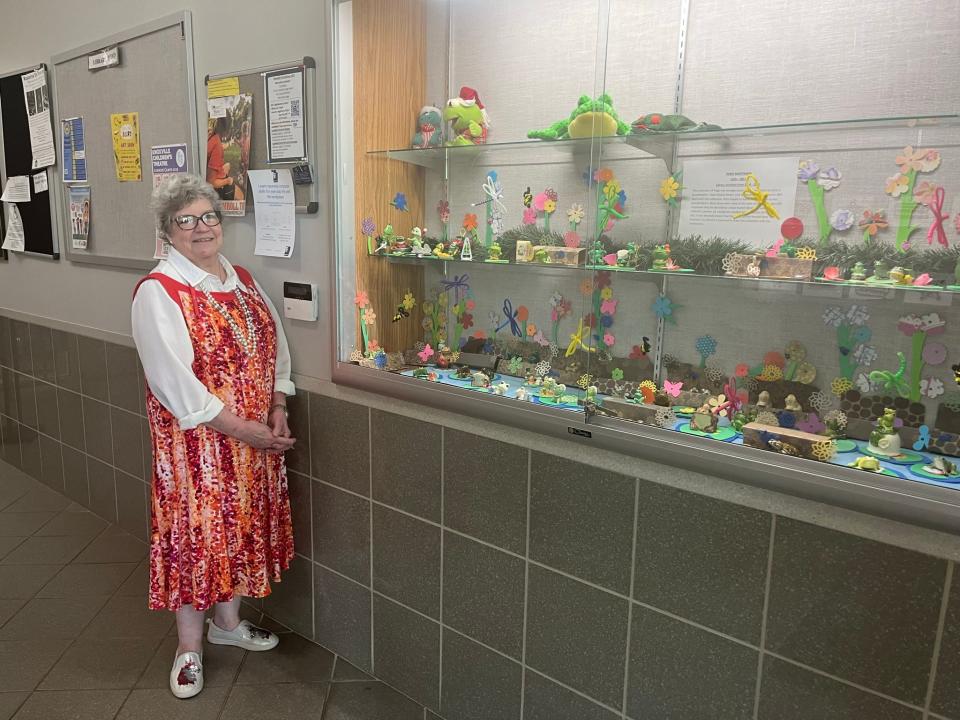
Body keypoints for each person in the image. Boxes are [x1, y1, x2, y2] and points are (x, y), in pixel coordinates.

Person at [131, 174, 296, 700]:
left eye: (209, 217)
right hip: (197, 452)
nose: (201, 228)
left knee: (238, 532)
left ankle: (228, 625)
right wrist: (243, 429)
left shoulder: (242, 279)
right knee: (196, 539)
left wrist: (277, 406)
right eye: (186, 220)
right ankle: (189, 649)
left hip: (253, 447)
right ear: (168, 232)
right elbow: (173, 382)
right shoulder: (159, 291)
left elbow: (276, 348)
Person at [206, 117, 234, 200]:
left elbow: (222, 146)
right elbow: (210, 182)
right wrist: (227, 181)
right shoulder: (216, 145)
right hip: (212, 186)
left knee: (228, 165)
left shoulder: (211, 140)